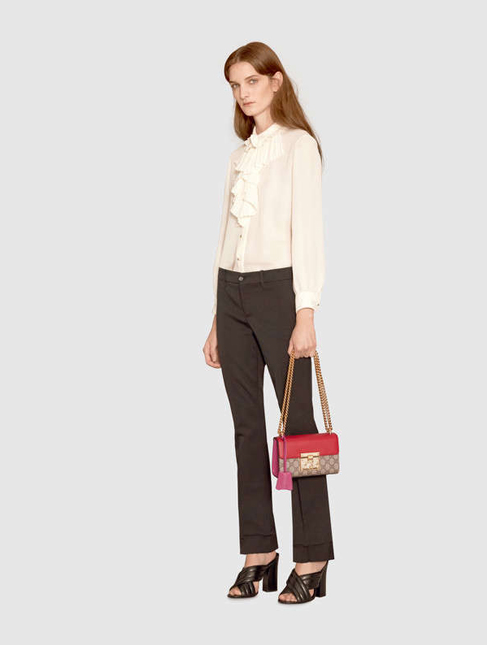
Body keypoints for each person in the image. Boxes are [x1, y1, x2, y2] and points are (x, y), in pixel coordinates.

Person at [202, 41, 335, 604]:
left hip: (280, 292)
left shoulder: (298, 146)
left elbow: (308, 233)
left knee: (297, 426)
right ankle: (259, 550)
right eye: (235, 85)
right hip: (230, 293)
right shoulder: (239, 155)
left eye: (252, 81)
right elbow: (227, 235)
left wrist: (306, 312)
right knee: (245, 427)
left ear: (276, 81)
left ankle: (313, 555)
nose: (243, 93)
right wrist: (217, 317)